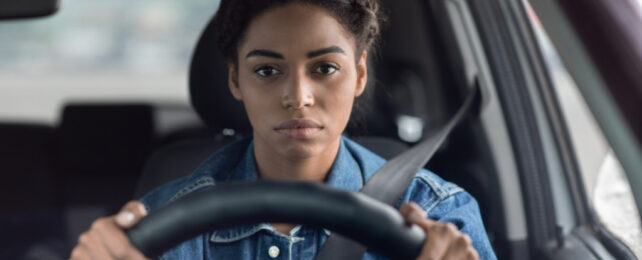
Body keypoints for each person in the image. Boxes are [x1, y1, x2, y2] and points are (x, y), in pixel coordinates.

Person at [70, 0, 496, 259]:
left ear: (360, 75)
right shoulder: (166, 227)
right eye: (268, 70)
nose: (298, 96)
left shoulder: (438, 217)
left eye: (325, 68)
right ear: (235, 80)